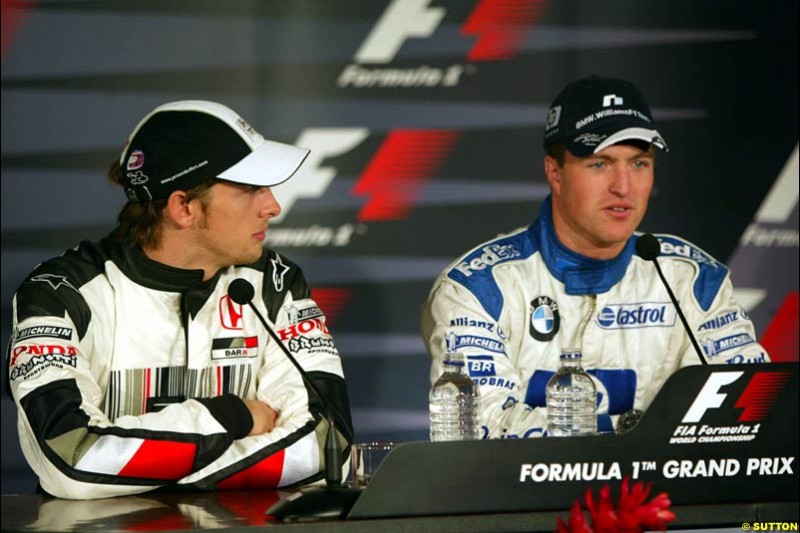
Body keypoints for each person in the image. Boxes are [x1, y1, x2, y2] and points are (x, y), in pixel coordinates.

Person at [7, 101, 353, 499]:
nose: (272, 206)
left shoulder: (276, 284)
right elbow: (72, 460)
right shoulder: (58, 294)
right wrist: (234, 417)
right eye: (251, 188)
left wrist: (140, 473)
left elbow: (328, 447)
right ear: (183, 207)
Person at [421, 75, 770, 439]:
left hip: (666, 496)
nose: (623, 186)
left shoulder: (696, 281)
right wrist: (628, 434)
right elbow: (483, 432)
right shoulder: (478, 288)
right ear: (555, 173)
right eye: (600, 164)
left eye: (639, 163)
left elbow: (743, 414)